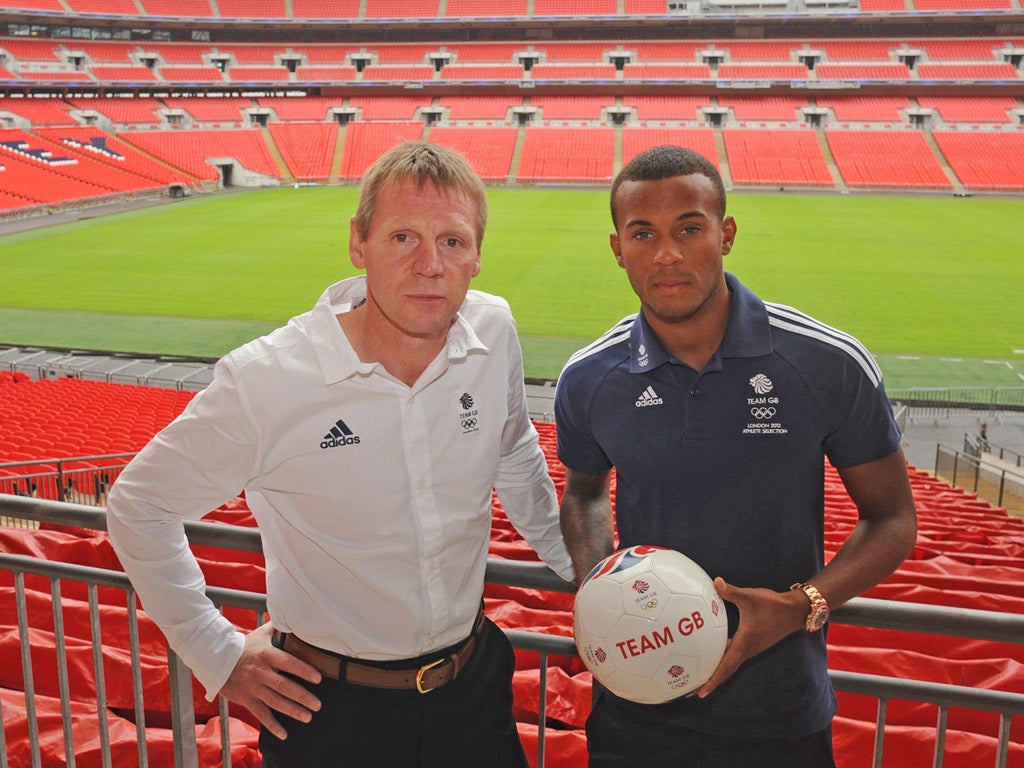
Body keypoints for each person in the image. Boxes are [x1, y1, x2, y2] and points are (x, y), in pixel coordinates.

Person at [106, 140, 575, 768]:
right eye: (403, 237)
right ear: (359, 243)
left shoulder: (495, 330)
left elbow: (514, 449)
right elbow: (139, 504)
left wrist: (580, 570)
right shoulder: (268, 379)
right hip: (329, 713)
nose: (430, 264)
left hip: (473, 688)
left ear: (478, 256)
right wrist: (215, 651)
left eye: (453, 241)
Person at [555, 145, 918, 768]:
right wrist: (598, 586)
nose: (666, 254)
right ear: (618, 248)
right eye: (643, 234)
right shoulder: (589, 379)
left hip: (779, 714)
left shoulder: (824, 363)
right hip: (635, 711)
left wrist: (802, 605)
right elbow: (584, 492)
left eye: (688, 229)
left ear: (725, 235)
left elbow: (892, 519)